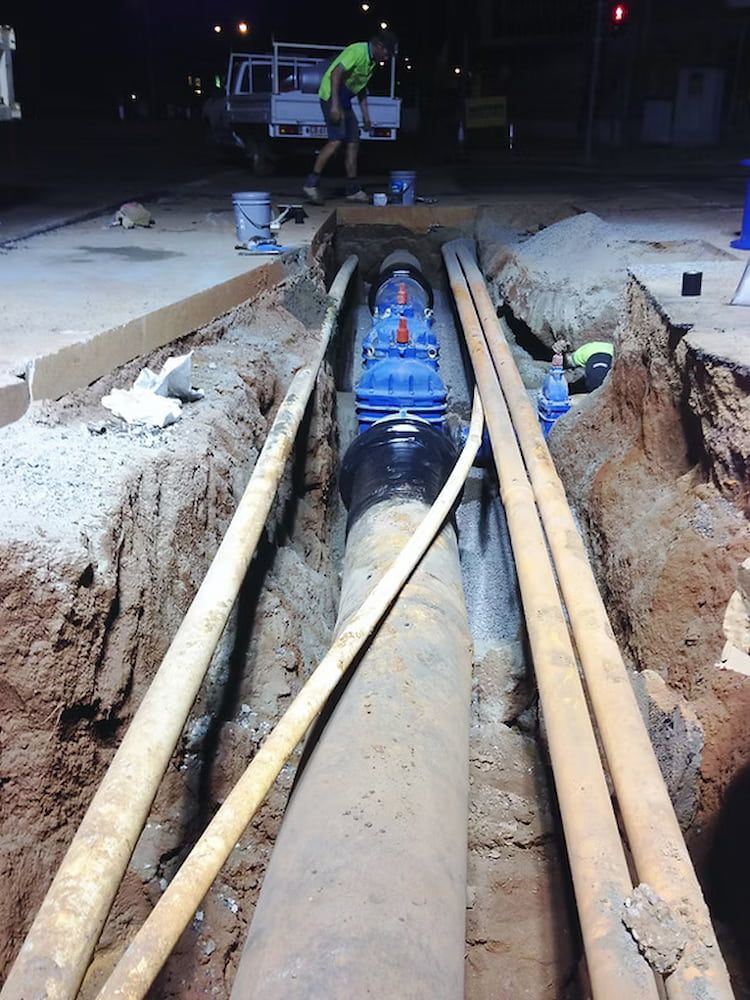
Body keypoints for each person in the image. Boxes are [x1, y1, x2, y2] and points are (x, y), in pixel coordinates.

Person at [303, 29, 398, 205]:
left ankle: (352, 190)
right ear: (378, 46)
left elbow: (361, 90)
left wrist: (366, 117)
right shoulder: (357, 51)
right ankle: (311, 184)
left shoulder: (372, 62)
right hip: (331, 95)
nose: (387, 57)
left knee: (354, 142)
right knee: (336, 140)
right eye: (387, 52)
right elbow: (335, 74)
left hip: (345, 99)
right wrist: (334, 105)